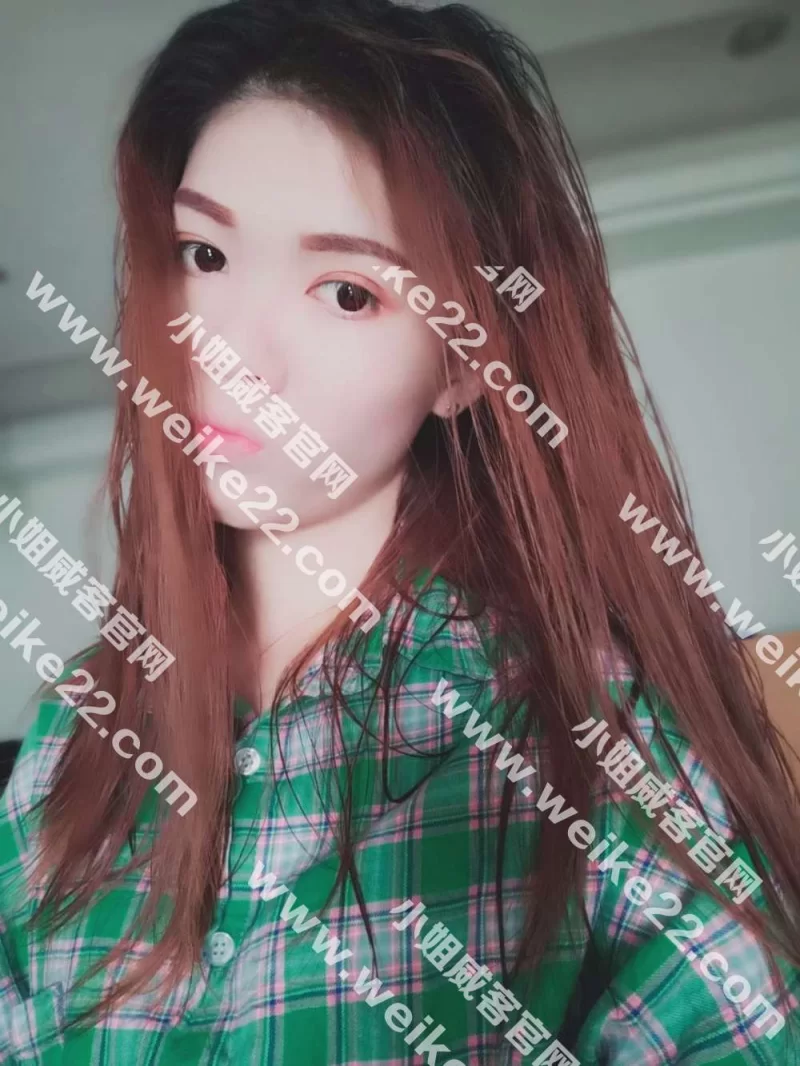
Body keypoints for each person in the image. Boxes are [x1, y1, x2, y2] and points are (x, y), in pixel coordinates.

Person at [2, 1, 799, 1062]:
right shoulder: (71, 737)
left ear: (463, 366)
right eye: (202, 253)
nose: (228, 349)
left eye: (347, 292)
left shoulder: (587, 727)